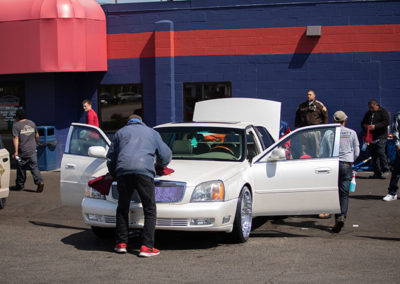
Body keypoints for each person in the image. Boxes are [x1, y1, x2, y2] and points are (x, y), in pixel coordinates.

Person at [106, 114, 172, 257]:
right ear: (141, 122)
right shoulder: (152, 132)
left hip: (123, 172)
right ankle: (146, 247)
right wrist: (159, 165)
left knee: (123, 208)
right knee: (149, 209)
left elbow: (111, 157)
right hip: (144, 172)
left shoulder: (120, 133)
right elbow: (166, 155)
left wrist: (114, 173)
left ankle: (121, 243)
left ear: (128, 122)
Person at [295, 89, 329, 218]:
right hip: (304, 130)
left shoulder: (319, 105)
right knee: (304, 151)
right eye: (307, 94)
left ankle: (316, 165)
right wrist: (297, 127)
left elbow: (325, 117)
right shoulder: (302, 106)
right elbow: (297, 116)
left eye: (310, 94)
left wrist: (323, 129)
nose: (308, 96)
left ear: (314, 95)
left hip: (316, 130)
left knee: (316, 150)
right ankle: (305, 166)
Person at [332, 111, 360, 233]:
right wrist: (351, 160)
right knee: (344, 194)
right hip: (346, 165)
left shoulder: (330, 133)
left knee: (334, 193)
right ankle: (342, 216)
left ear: (334, 120)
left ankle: (336, 217)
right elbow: (357, 151)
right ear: (345, 120)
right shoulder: (352, 133)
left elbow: (323, 148)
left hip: (333, 165)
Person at [11, 109, 44, 193]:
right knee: (34, 167)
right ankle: (39, 182)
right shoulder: (32, 123)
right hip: (32, 150)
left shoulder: (16, 126)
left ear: (17, 116)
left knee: (21, 168)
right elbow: (37, 135)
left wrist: (16, 152)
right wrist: (35, 143)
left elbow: (16, 138)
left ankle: (20, 185)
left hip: (23, 151)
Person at [361, 99, 390, 179]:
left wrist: (375, 126)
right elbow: (363, 123)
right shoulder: (369, 113)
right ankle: (377, 172)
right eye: (370, 108)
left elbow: (386, 122)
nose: (371, 109)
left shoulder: (383, 112)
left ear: (376, 105)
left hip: (381, 136)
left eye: (372, 108)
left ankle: (386, 170)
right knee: (374, 155)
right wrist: (366, 127)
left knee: (381, 152)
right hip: (371, 138)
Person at [383, 111, 400, 201]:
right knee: (396, 172)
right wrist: (397, 146)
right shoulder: (398, 115)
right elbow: (395, 131)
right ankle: (392, 193)